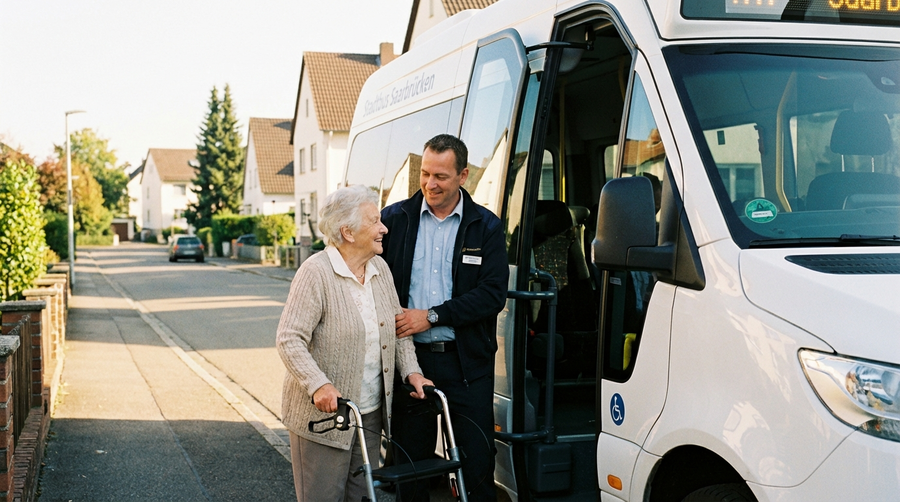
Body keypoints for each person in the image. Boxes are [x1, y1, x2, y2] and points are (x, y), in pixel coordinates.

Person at [276, 184, 433, 502]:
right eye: (375, 221)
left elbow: (396, 329)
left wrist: (412, 372)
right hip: (323, 417)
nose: (384, 228)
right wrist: (318, 385)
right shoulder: (316, 273)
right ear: (348, 232)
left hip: (370, 412)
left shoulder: (380, 269)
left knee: (362, 496)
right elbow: (290, 339)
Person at [381, 134, 509, 501]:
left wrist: (432, 316)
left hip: (467, 365)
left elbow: (491, 295)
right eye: (425, 174)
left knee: (477, 466)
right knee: (411, 472)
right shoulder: (395, 220)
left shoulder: (486, 226)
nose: (430, 184)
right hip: (411, 365)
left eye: (441, 176)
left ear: (463, 175)